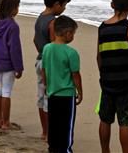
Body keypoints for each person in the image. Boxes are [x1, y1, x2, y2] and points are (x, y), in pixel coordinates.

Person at [96, 0, 128, 153]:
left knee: (105, 119)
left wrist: (103, 75)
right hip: (126, 82)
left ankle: (105, 151)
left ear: (112, 4)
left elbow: (99, 57)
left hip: (107, 80)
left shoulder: (102, 28)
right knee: (124, 123)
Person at [33, 0, 71, 140]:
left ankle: (45, 131)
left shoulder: (40, 18)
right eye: (64, 6)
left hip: (40, 59)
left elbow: (35, 40)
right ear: (57, 4)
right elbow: (55, 44)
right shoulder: (53, 22)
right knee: (51, 98)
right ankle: (51, 132)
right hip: (50, 64)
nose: (64, 9)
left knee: (41, 97)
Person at [42, 15, 82, 153]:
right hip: (66, 94)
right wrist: (80, 92)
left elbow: (44, 70)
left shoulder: (47, 48)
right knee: (66, 126)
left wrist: (46, 86)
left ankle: (53, 149)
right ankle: (66, 150)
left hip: (52, 92)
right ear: (67, 33)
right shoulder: (71, 53)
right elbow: (75, 75)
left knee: (53, 125)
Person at [0, 0, 24, 130]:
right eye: (17, 7)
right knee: (6, 92)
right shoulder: (12, 26)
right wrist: (19, 67)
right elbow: (15, 49)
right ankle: (6, 121)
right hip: (8, 63)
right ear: (12, 8)